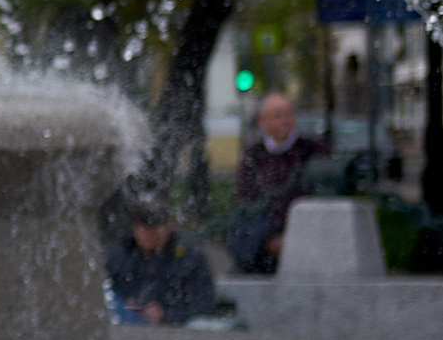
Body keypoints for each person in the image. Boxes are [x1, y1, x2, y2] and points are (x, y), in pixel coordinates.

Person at [227, 93, 324, 274]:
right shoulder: (254, 155)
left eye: (288, 114)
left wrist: (290, 236)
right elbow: (245, 198)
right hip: (263, 232)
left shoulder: (311, 151)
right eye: (278, 116)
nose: (285, 121)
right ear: (262, 121)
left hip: (302, 228)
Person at [105, 195, 218, 325]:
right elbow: (104, 291)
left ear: (170, 225)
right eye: (142, 228)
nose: (148, 234)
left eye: (154, 228)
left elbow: (204, 305)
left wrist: (166, 314)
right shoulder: (121, 254)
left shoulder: (190, 258)